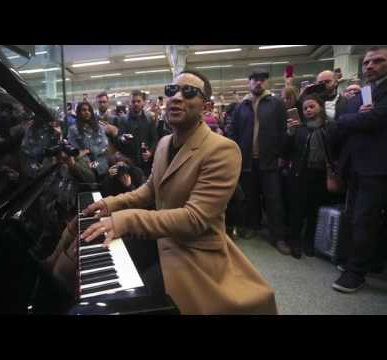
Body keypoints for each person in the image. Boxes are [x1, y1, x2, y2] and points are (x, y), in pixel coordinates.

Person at [80, 70, 277, 315]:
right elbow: (149, 190)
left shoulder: (223, 150)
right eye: (172, 90)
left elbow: (194, 220)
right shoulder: (164, 143)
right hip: (162, 238)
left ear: (206, 107)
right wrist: (111, 204)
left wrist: (127, 219)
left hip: (194, 252)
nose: (176, 97)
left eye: (189, 92)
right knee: (93, 258)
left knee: (120, 305)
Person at [329, 46, 387, 293]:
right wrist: (353, 120)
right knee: (354, 217)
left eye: (378, 61)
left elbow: (372, 119)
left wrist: (350, 120)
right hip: (355, 165)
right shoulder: (367, 90)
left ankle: (356, 272)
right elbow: (346, 119)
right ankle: (362, 261)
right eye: (366, 62)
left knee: (365, 220)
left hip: (377, 167)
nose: (370, 66)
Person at [230, 69, 290, 255]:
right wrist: (235, 157)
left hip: (269, 161)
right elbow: (234, 134)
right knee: (251, 197)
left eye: (262, 80)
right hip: (247, 161)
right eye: (255, 80)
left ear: (267, 83)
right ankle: (252, 226)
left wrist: (282, 155)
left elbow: (282, 131)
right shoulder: (241, 107)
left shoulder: (277, 104)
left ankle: (278, 236)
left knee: (274, 199)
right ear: (249, 83)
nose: (258, 83)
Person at [280, 95, 336, 259]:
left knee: (314, 211)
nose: (308, 110)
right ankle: (294, 241)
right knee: (297, 210)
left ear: (320, 107)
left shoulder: (330, 128)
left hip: (321, 175)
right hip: (299, 175)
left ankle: (309, 241)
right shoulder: (299, 129)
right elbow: (284, 152)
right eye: (305, 108)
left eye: (312, 106)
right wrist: (290, 133)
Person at [116, 90, 158, 177]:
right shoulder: (123, 120)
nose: (136, 104)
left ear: (143, 102)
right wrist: (123, 139)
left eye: (138, 101)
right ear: (130, 103)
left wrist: (150, 152)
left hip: (146, 162)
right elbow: (119, 140)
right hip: (130, 162)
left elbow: (154, 139)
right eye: (133, 101)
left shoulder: (149, 119)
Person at [67, 101, 109, 180]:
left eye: (89, 110)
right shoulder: (73, 129)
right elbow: (74, 151)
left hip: (101, 161)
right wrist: (85, 153)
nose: (87, 112)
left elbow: (104, 145)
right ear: (79, 112)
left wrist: (89, 150)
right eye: (84, 110)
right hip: (84, 163)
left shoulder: (98, 127)